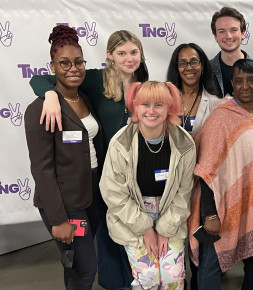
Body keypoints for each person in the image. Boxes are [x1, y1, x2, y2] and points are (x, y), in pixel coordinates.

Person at [29, 30, 149, 290]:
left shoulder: (144, 83)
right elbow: (42, 79)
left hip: (111, 183)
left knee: (120, 237)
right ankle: (111, 282)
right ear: (109, 56)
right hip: (81, 190)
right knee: (87, 262)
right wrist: (49, 95)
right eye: (121, 53)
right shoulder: (94, 80)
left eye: (133, 52)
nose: (128, 58)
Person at [188, 59, 253, 290]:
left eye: (251, 80)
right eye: (239, 80)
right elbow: (205, 170)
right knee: (210, 265)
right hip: (223, 206)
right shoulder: (221, 117)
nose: (245, 86)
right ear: (232, 83)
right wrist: (210, 215)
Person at [24, 25, 103, 290]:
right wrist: (59, 219)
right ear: (53, 66)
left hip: (90, 193)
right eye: (65, 63)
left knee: (75, 264)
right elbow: (42, 169)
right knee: (86, 268)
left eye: (79, 62)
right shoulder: (41, 109)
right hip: (65, 202)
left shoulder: (86, 99)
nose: (73, 68)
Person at [99, 81, 196, 290]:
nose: (151, 111)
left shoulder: (184, 143)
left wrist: (165, 228)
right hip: (132, 216)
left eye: (159, 105)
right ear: (135, 106)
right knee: (149, 277)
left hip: (171, 214)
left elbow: (184, 192)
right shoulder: (120, 143)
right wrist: (145, 228)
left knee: (172, 278)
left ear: (170, 107)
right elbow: (113, 193)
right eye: (145, 104)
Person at [210, 6, 253, 124]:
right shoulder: (206, 71)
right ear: (215, 36)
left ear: (243, 33)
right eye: (222, 31)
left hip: (251, 139)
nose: (228, 36)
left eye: (233, 30)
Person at [166, 43, 219, 137]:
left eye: (194, 62)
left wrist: (198, 140)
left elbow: (219, 139)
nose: (189, 67)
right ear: (177, 68)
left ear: (202, 66)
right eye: (182, 63)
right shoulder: (165, 99)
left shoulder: (214, 103)